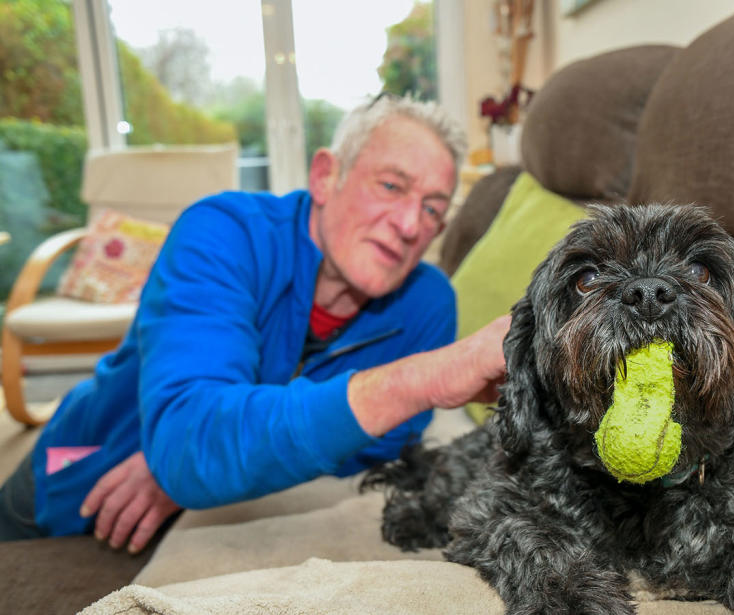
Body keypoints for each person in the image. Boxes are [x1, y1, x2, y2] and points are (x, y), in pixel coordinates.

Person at [0, 95, 510, 553]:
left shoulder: (429, 302)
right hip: (81, 477)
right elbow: (188, 440)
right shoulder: (220, 233)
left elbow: (378, 448)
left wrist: (215, 467)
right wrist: (423, 378)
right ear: (325, 176)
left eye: (431, 209)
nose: (407, 225)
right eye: (391, 186)